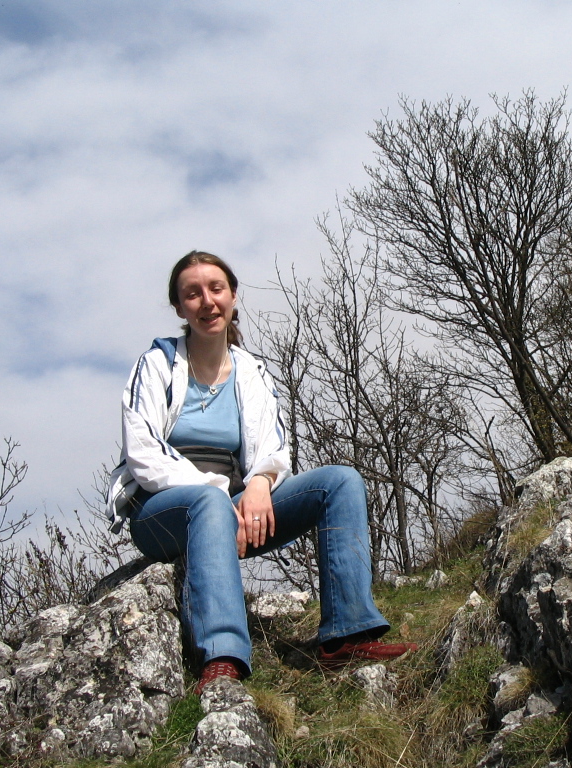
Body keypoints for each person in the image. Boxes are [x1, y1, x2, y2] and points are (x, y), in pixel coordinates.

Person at [106, 250, 416, 693]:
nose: (207, 301)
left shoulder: (251, 371)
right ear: (179, 308)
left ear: (233, 296)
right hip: (160, 513)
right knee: (208, 501)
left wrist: (258, 484)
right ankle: (223, 657)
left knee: (340, 482)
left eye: (216, 288)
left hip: (236, 511)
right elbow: (143, 453)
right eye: (192, 294)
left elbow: (273, 447)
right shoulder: (156, 365)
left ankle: (347, 636)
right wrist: (218, 496)